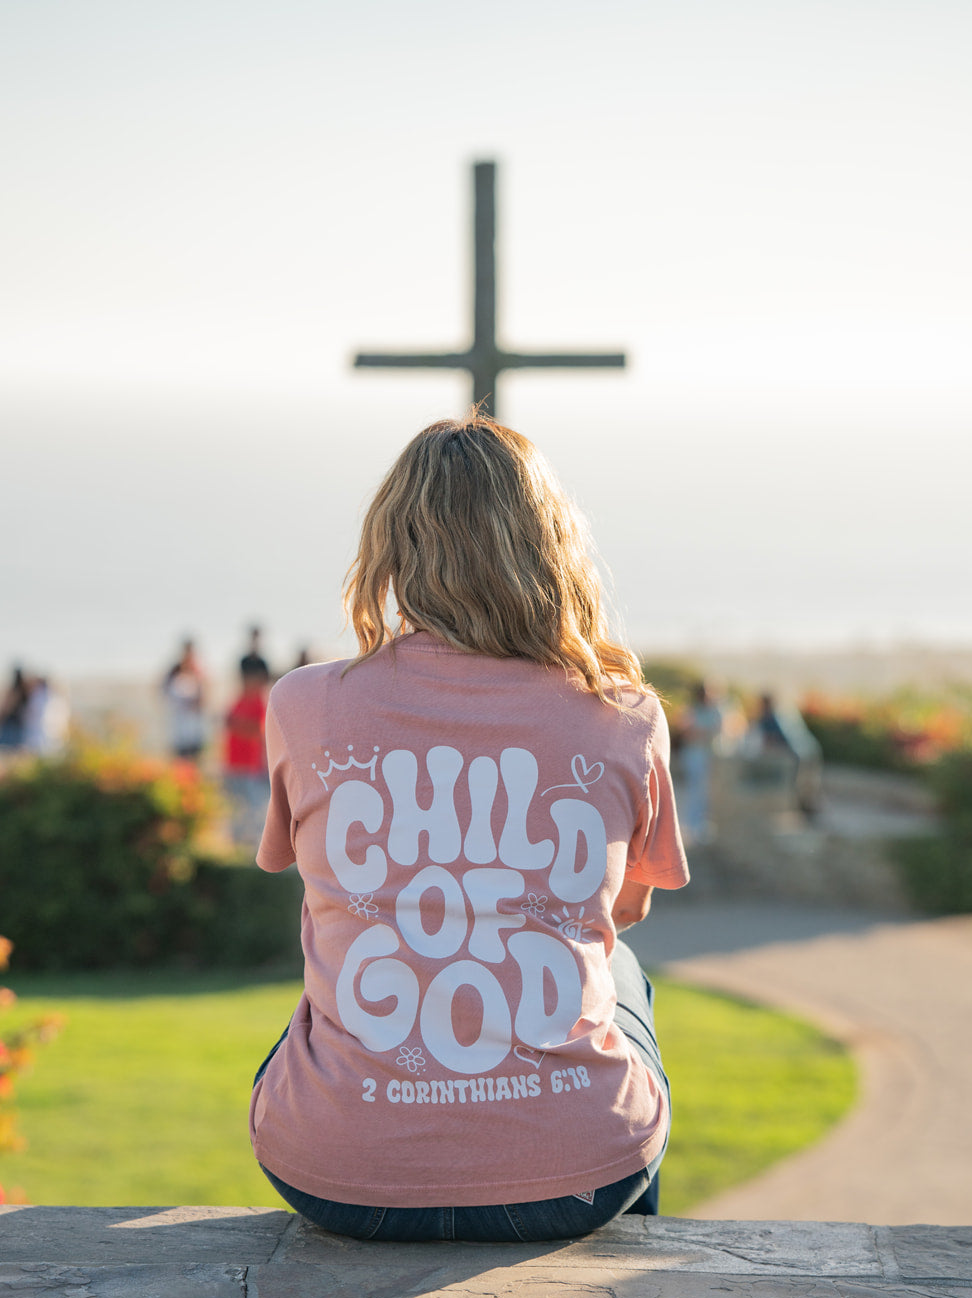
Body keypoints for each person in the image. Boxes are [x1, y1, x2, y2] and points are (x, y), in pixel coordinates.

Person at [250, 415, 689, 1244]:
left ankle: (366, 1122)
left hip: (338, 1183)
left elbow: (301, 871)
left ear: (392, 546)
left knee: (325, 983)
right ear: (551, 544)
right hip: (582, 1185)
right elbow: (617, 915)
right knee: (621, 971)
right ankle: (634, 1260)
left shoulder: (303, 705)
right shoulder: (624, 715)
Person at [222, 666, 270, 848]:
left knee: (254, 805)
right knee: (234, 804)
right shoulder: (238, 700)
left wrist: (238, 725)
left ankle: (254, 842)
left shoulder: (259, 702)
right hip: (233, 762)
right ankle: (237, 840)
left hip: (250, 764)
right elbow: (228, 723)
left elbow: (258, 730)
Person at [677, 680, 723, 844]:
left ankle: (700, 826)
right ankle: (691, 826)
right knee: (694, 789)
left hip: (709, 754)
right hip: (694, 754)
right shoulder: (691, 710)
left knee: (706, 791)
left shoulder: (715, 710)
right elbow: (688, 732)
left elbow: (718, 730)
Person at [160, 639, 208, 761]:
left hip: (195, 729)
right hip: (179, 729)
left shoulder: (198, 673)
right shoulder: (174, 673)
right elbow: (164, 693)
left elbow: (204, 699)